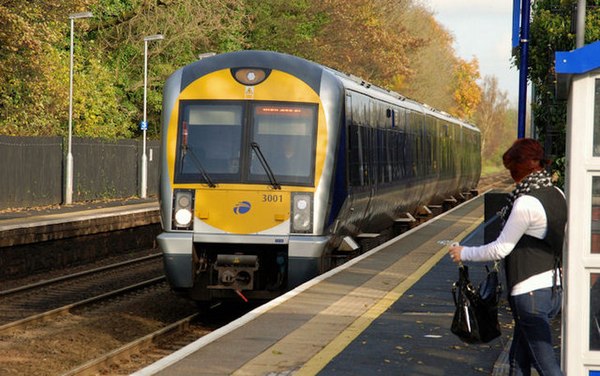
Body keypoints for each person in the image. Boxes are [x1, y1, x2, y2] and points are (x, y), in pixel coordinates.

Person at [448, 138, 567, 376]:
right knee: (517, 361)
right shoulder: (556, 193)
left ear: (518, 169)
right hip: (553, 290)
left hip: (529, 293)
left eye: (511, 170)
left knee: (548, 368)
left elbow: (500, 248)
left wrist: (464, 252)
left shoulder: (525, 202)